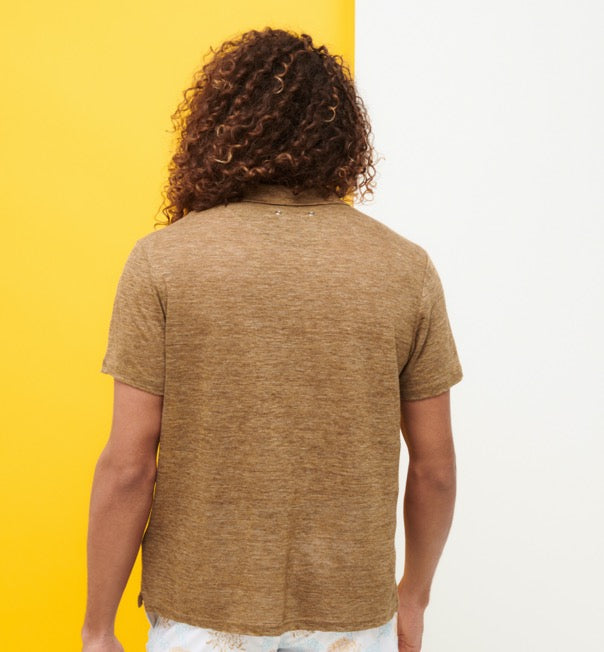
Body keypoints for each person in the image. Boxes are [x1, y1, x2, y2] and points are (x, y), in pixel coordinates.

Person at [81, 27, 463, 652]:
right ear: (343, 139)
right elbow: (435, 470)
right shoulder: (405, 269)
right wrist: (413, 597)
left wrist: (99, 628)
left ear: (218, 127)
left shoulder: (163, 262)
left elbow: (128, 466)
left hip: (202, 613)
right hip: (352, 613)